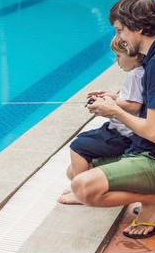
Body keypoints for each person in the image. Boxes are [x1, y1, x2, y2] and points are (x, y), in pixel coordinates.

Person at [59, 0, 155, 239]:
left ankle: (153, 198)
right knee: (74, 172)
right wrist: (115, 98)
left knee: (83, 187)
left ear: (138, 28)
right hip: (145, 151)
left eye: (120, 30)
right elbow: (147, 104)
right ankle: (150, 194)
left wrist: (114, 112)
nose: (119, 39)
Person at [58, 36, 144, 203]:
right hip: (119, 130)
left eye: (119, 56)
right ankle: (84, 184)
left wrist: (110, 103)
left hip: (123, 135)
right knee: (72, 171)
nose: (116, 61)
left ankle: (83, 193)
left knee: (77, 147)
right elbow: (132, 99)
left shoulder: (135, 75)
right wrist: (112, 96)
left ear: (133, 55)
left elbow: (134, 106)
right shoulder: (141, 73)